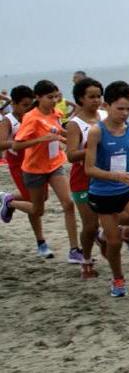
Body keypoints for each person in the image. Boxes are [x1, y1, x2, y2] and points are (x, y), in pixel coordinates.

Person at [85, 81, 129, 297]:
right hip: (103, 193)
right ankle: (118, 279)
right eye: (120, 108)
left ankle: (127, 233)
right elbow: (89, 169)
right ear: (107, 106)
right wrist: (113, 175)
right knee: (112, 244)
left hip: (126, 188)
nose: (125, 113)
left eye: (128, 108)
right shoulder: (96, 132)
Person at [9, 80, 82, 262]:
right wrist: (41, 139)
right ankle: (9, 202)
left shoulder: (55, 112)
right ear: (38, 97)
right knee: (38, 209)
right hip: (34, 169)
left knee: (68, 204)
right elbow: (17, 145)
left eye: (56, 96)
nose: (54, 100)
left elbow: (57, 131)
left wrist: (70, 139)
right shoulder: (31, 117)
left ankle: (74, 250)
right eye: (50, 97)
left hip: (55, 164)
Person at [65, 77, 106, 278]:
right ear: (80, 98)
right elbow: (70, 155)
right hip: (82, 180)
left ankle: (106, 239)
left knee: (118, 218)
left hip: (106, 176)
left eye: (99, 96)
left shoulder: (106, 116)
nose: (96, 100)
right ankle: (86, 259)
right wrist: (93, 148)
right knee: (90, 225)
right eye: (91, 97)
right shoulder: (75, 124)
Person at [0, 85, 49, 253]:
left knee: (43, 197)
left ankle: (9, 199)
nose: (28, 109)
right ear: (13, 104)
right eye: (24, 105)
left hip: (36, 161)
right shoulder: (8, 120)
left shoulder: (33, 117)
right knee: (34, 202)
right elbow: (1, 143)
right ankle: (41, 242)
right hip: (18, 164)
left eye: (31, 105)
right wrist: (18, 143)